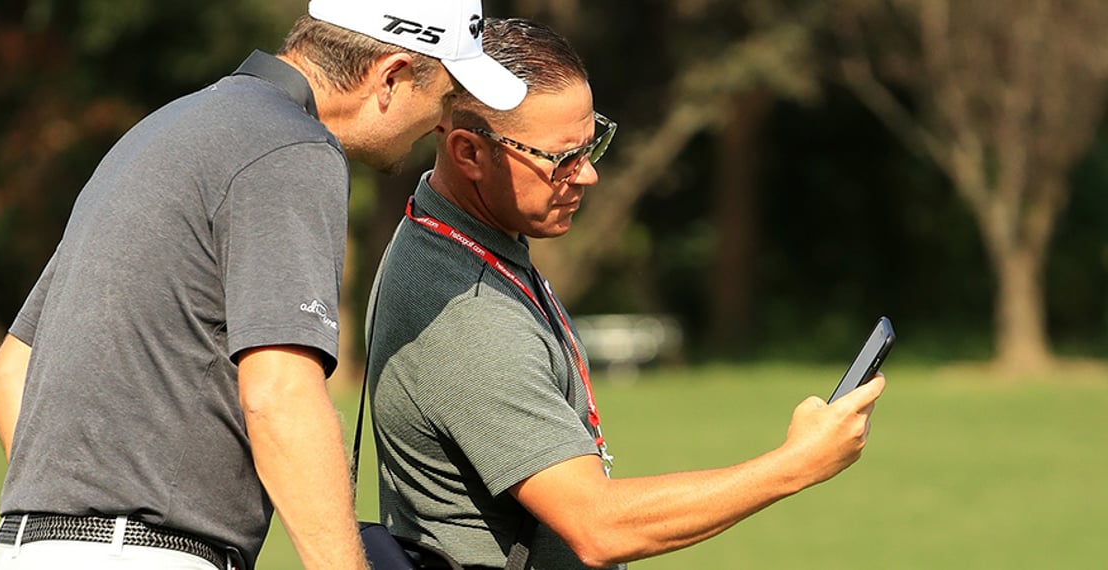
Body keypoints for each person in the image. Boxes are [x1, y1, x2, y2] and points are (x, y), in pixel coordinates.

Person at [0, 2, 526, 569]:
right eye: (443, 99)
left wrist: (81, 529)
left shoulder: (163, 130)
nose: (441, 124)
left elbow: (9, 373)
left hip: (30, 548)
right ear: (391, 77)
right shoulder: (293, 147)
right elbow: (280, 394)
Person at [364, 18, 886, 570]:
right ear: (469, 153)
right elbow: (598, 526)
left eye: (593, 146)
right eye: (562, 158)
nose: (586, 176)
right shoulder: (466, 318)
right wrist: (795, 463)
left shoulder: (451, 233)